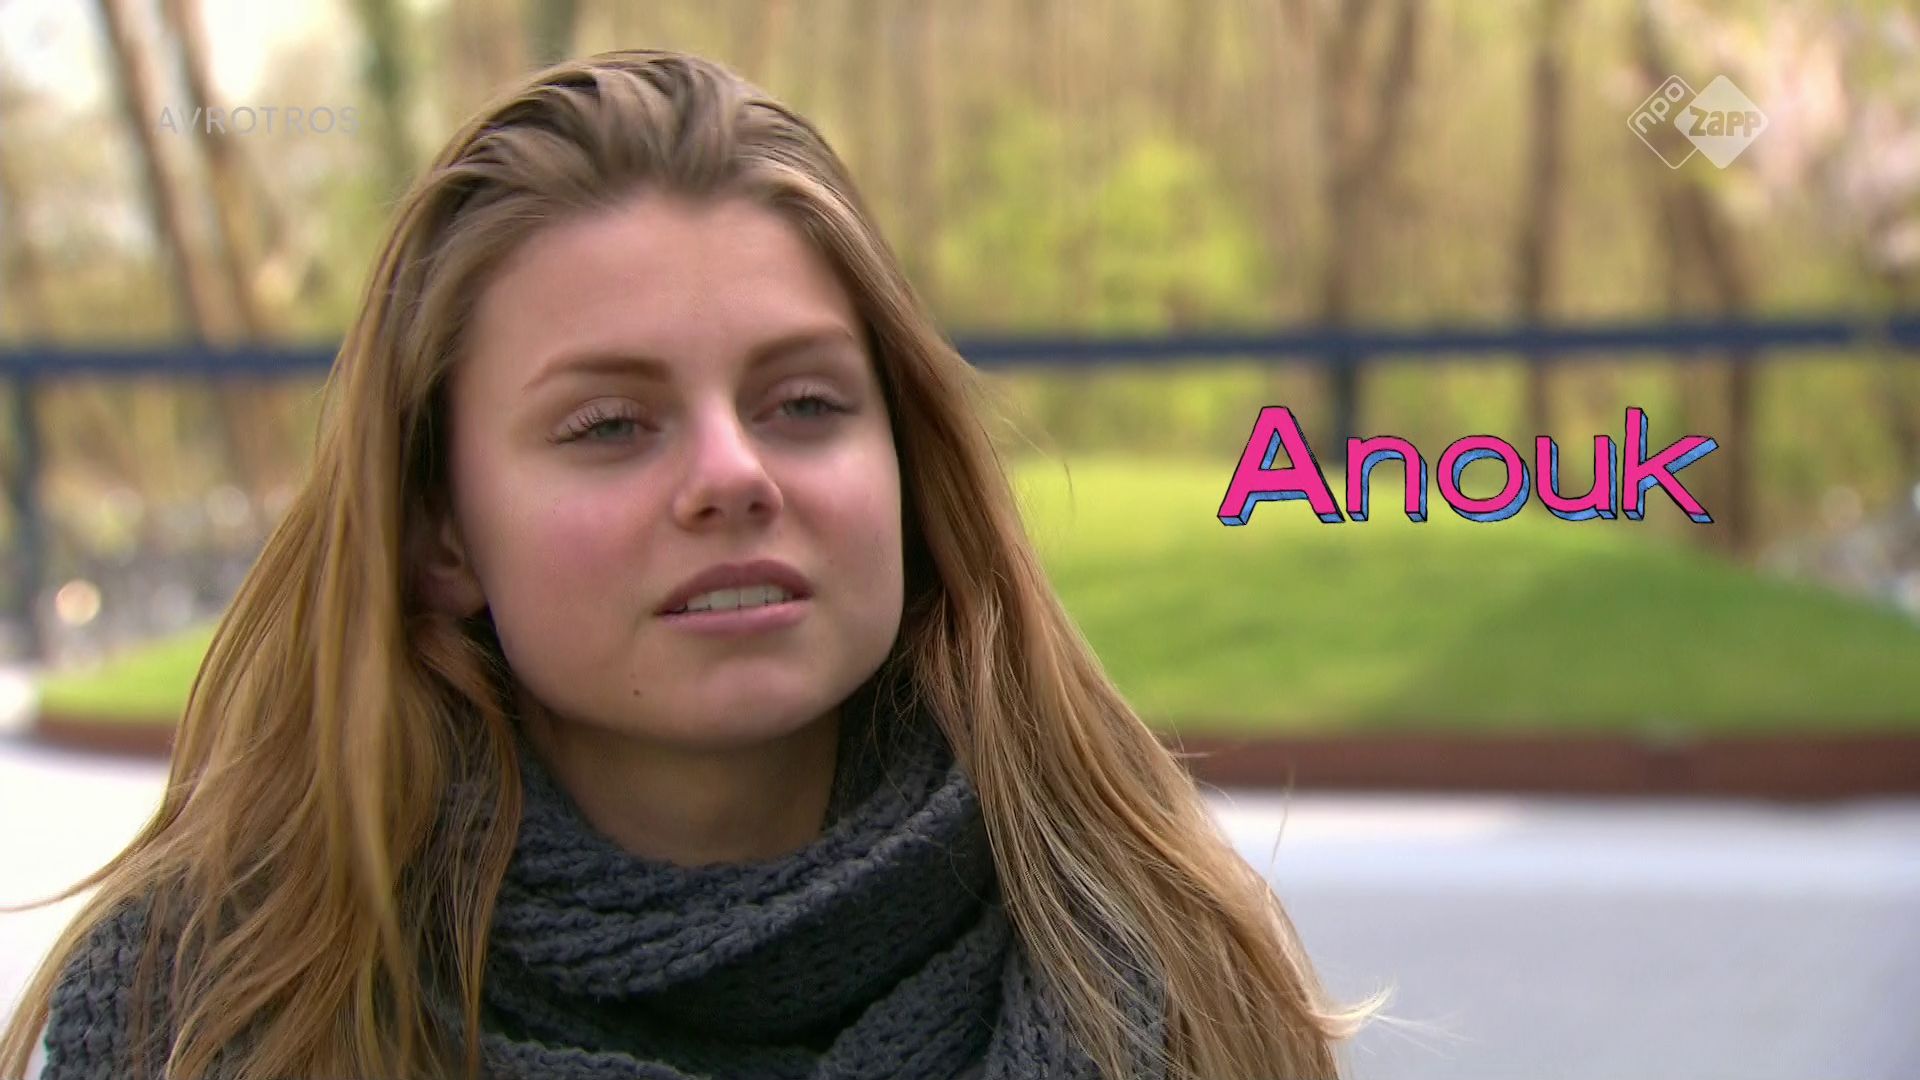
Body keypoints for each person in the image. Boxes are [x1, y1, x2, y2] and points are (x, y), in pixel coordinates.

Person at [0, 49, 1373, 1080]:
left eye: (805, 403)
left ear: (907, 467)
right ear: (441, 535)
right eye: (610, 425)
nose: (734, 473)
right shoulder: (205, 1013)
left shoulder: (1171, 976)